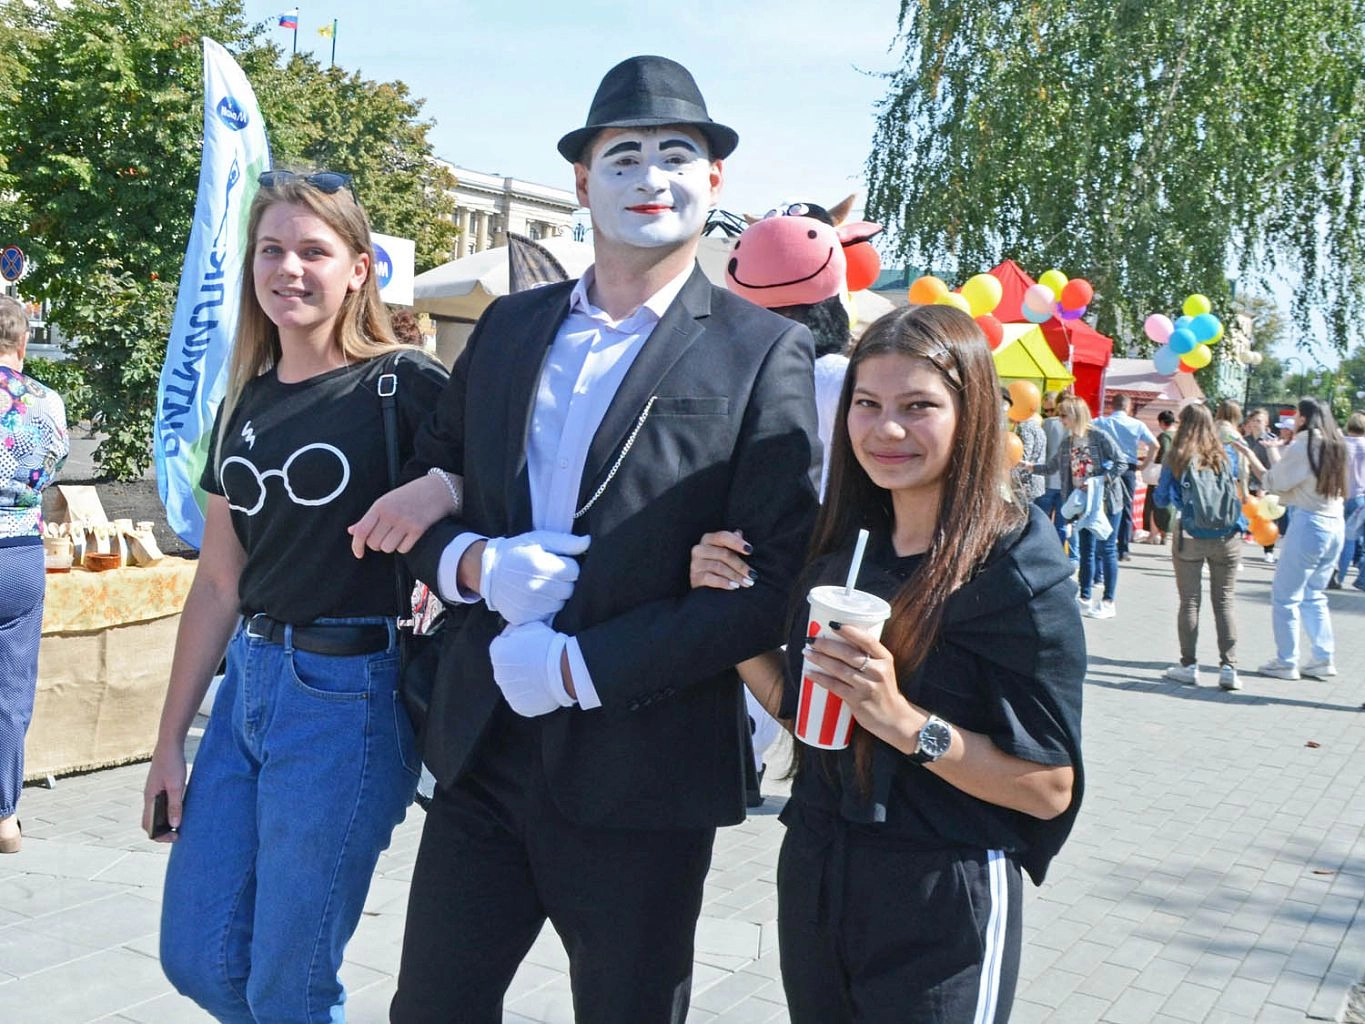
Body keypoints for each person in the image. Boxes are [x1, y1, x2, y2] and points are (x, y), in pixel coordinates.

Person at [354, 56, 820, 1023]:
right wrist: (472, 563)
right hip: (484, 750)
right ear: (580, 181)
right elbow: (425, 504)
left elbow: (772, 577)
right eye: (623, 157)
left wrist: (579, 668)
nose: (650, 178)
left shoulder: (761, 349)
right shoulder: (509, 329)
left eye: (675, 155)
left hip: (644, 764)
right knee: (429, 1008)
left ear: (713, 182)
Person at [688, 304, 1084, 1023]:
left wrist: (903, 722)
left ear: (971, 417)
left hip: (942, 889)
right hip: (819, 864)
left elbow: (1048, 787)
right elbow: (801, 708)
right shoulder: (842, 552)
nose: (886, 429)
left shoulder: (1014, 568)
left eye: (917, 407)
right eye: (866, 404)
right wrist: (729, 611)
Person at [142, 170, 448, 1022]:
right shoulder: (243, 398)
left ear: (358, 269)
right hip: (247, 688)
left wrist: (445, 489)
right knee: (196, 954)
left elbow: (504, 482)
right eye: (271, 249)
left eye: (314, 250)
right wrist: (169, 743)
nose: (288, 268)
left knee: (291, 980)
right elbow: (215, 582)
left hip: (347, 696)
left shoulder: (404, 384)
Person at [0, 295, 68, 855]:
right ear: (23, 342)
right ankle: (4, 815)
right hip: (22, 549)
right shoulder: (48, 402)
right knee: (13, 687)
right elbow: (54, 465)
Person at [1153, 405, 1247, 690]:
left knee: (1190, 602)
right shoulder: (1226, 454)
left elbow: (1159, 498)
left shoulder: (1177, 455)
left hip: (1190, 535)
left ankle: (1188, 665)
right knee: (1224, 601)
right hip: (1228, 534)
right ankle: (1229, 667)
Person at [1256, 398, 1347, 680]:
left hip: (1310, 523)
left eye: (1296, 415)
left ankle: (1286, 660)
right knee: (1314, 595)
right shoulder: (1336, 444)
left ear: (1305, 418)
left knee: (1285, 596)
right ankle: (1322, 657)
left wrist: (1261, 461)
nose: (1293, 420)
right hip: (1335, 522)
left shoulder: (1306, 443)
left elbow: (1278, 481)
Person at [1049, 396, 1126, 618]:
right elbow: (1053, 466)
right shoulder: (1068, 442)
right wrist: (1029, 467)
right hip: (1082, 504)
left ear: (1076, 414)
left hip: (1106, 502)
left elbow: (1121, 462)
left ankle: (1109, 600)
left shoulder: (1099, 436)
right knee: (1086, 551)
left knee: (1107, 548)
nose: (1060, 419)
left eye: (1063, 415)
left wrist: (1101, 479)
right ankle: (1084, 596)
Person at [1093, 394, 1155, 561]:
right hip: (1128, 468)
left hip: (1107, 467)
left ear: (1112, 406)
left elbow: (1085, 428)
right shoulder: (1138, 425)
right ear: (1127, 408)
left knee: (1104, 505)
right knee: (1126, 507)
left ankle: (1103, 543)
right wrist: (1145, 464)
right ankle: (1123, 549)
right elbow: (1154, 444)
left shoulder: (1102, 422)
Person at [1330, 411, 1364, 590]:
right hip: (1361, 498)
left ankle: (1338, 576)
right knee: (1354, 540)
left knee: (1341, 540)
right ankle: (1362, 577)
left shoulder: (1341, 444)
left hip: (1340, 495)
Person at [1034, 391, 1071, 551]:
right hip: (1066, 483)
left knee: (1041, 522)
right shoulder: (1076, 426)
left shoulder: (1048, 423)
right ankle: (1058, 554)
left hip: (1047, 479)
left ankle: (1040, 553)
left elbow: (1042, 450)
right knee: (1062, 525)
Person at [1142, 409, 1176, 544]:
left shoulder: (1164, 436)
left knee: (1154, 504)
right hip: (1176, 474)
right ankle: (1165, 534)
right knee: (1170, 505)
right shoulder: (1179, 436)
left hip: (1161, 475)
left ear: (1162, 422)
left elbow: (1163, 455)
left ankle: (1153, 535)